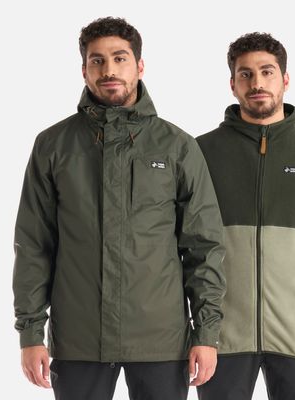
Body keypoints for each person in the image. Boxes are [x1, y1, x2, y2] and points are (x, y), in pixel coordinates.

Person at [12, 16, 226, 400]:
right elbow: (34, 245)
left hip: (161, 341)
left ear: (139, 66)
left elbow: (204, 246)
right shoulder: (53, 145)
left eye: (119, 58)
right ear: (84, 70)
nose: (109, 69)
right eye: (97, 60)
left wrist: (207, 333)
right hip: (79, 340)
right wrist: (30, 333)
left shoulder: (177, 146)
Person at [196, 32, 295, 400]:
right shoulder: (201, 153)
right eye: (246, 74)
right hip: (221, 337)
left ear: (285, 79)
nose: (257, 83)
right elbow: (184, 249)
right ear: (232, 84)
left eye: (267, 72)